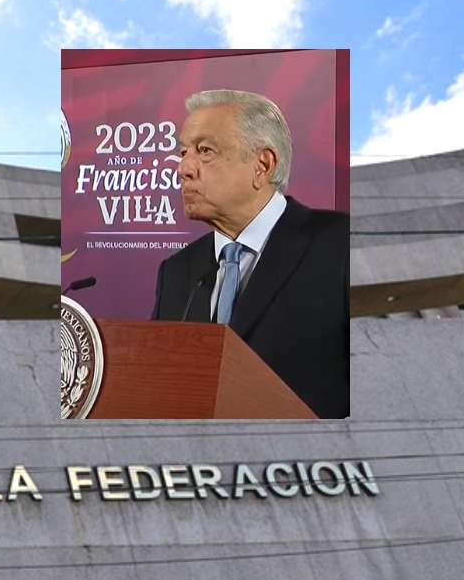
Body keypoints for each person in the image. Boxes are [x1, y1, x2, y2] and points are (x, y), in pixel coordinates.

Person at [149, 90, 348, 419]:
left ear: (262, 165)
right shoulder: (176, 271)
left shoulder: (339, 243)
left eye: (205, 151)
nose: (183, 168)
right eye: (183, 152)